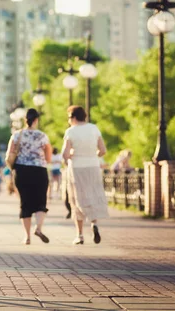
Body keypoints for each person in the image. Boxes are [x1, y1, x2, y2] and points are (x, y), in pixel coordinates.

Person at [62, 105, 109, 245]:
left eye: (69, 117)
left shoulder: (70, 131)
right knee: (92, 195)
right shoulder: (94, 128)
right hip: (93, 166)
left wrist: (70, 156)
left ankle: (80, 235)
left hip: (77, 167)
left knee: (77, 200)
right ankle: (94, 223)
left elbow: (65, 154)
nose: (69, 120)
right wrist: (92, 155)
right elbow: (102, 150)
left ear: (74, 117)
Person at [6, 108, 52, 245]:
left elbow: (9, 153)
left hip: (22, 171)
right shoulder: (42, 136)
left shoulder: (17, 135)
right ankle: (38, 228)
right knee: (40, 202)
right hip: (39, 170)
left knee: (25, 203)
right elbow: (48, 157)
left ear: (25, 119)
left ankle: (27, 237)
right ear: (36, 120)